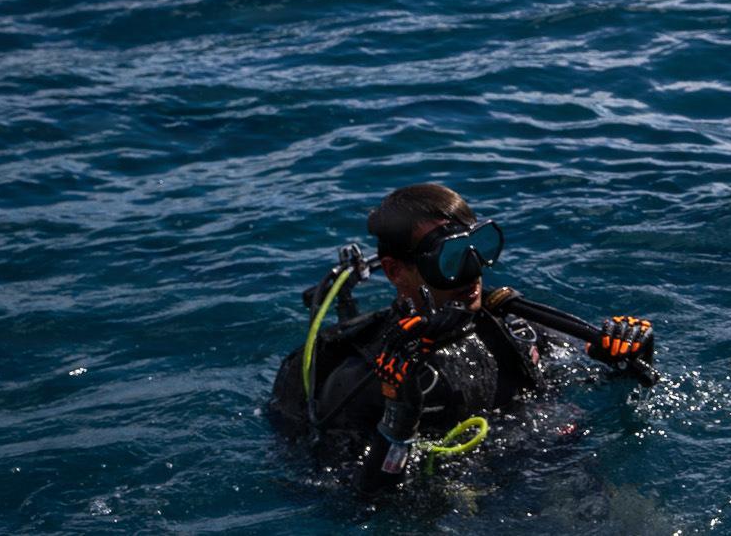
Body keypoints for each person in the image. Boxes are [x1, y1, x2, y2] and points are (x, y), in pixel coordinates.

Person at [267, 182, 654, 494]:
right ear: (396, 272)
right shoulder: (363, 378)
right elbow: (361, 503)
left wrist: (630, 359)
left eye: (478, 249)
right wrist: (398, 417)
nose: (472, 274)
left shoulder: (516, 331)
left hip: (558, 476)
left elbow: (605, 392)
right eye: (449, 259)